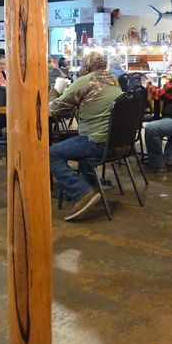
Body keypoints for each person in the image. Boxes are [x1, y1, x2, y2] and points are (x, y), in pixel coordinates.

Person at [49, 51, 122, 221]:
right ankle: (91, 187)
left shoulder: (85, 80)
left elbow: (54, 109)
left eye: (81, 65)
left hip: (96, 142)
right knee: (74, 143)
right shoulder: (113, 79)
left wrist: (55, 90)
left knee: (49, 154)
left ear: (86, 67)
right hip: (117, 144)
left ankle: (82, 193)